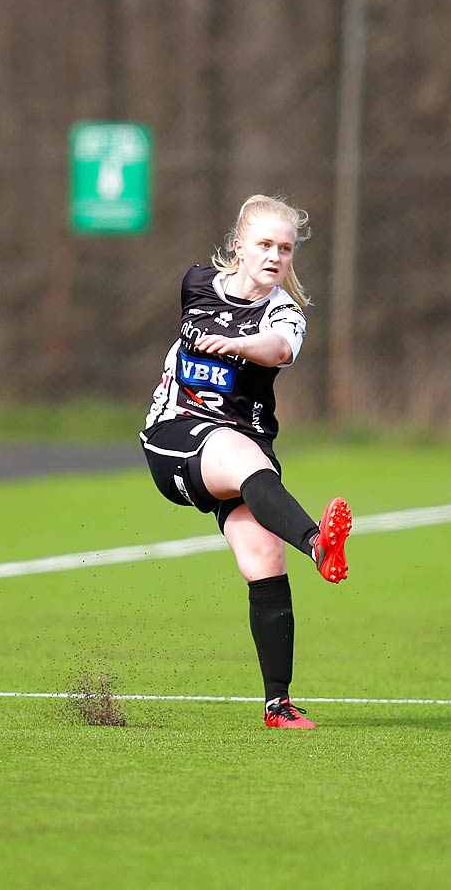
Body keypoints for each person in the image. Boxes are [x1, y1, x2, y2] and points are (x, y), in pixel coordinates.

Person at [139, 194, 352, 730]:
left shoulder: (284, 312)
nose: (275, 256)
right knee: (242, 458)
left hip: (241, 446)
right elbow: (209, 315)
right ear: (239, 245)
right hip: (177, 436)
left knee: (264, 561)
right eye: (264, 244)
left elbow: (278, 349)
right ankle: (317, 543)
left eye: (285, 248)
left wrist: (238, 344)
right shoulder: (196, 284)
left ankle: (277, 704)